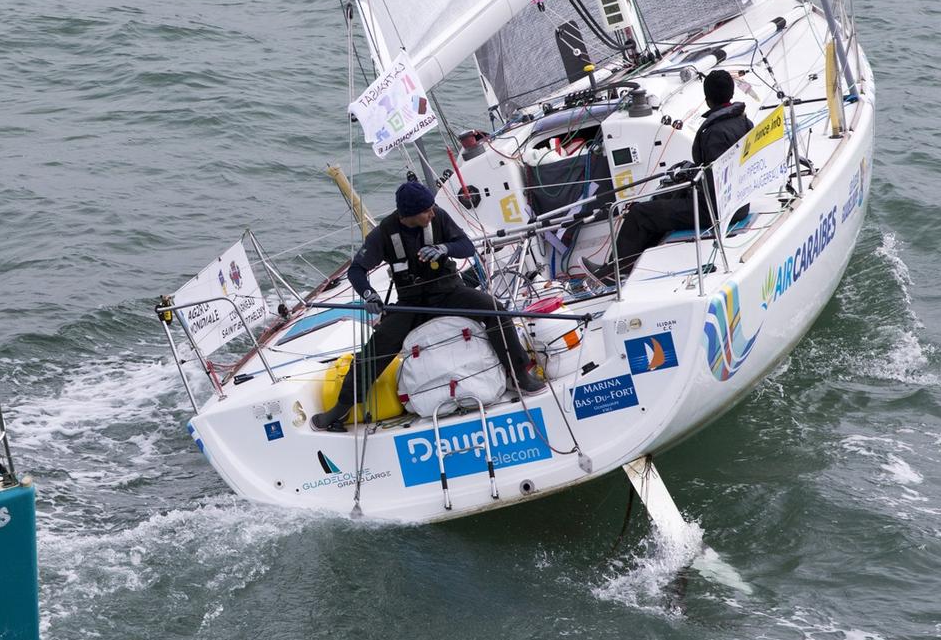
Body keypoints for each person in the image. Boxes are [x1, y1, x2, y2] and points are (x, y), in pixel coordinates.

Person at [310, 179, 546, 432]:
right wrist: (368, 294)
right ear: (408, 215)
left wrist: (445, 248)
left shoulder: (439, 217)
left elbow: (466, 247)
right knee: (377, 347)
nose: (432, 213)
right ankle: (342, 406)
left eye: (432, 208)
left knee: (495, 310)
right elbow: (356, 271)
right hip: (411, 304)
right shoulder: (383, 234)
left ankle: (519, 374)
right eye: (426, 211)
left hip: (449, 292)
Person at [584, 69, 753, 284]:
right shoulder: (743, 121)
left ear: (707, 98)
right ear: (730, 93)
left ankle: (613, 274)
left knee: (639, 213)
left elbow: (714, 182)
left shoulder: (715, 133)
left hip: (718, 209)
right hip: (739, 201)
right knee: (665, 200)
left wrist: (689, 183)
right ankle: (635, 262)